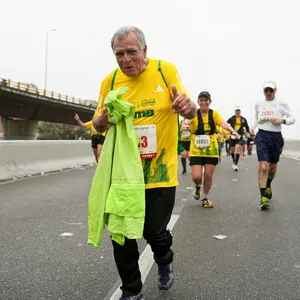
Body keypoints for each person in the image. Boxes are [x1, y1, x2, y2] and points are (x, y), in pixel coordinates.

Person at [92, 26, 197, 300]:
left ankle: (164, 259)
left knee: (153, 231)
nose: (125, 59)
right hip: (124, 176)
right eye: (119, 54)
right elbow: (97, 123)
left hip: (159, 171)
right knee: (122, 236)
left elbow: (190, 109)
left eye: (131, 52)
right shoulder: (111, 81)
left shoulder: (165, 71)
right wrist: (101, 122)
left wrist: (189, 108)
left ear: (145, 50)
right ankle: (132, 290)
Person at [190, 91, 239, 208]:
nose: (203, 102)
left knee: (208, 174)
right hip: (196, 150)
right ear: (198, 102)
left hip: (211, 150)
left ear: (210, 102)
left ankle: (205, 197)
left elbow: (223, 124)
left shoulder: (214, 114)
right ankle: (197, 188)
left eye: (206, 100)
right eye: (201, 100)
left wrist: (233, 131)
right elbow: (187, 121)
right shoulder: (194, 114)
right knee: (197, 176)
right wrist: (184, 125)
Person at [252, 81, 295, 209]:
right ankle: (263, 196)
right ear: (263, 91)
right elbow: (256, 118)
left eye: (271, 90)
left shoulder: (281, 103)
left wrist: (282, 120)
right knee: (263, 166)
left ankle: (268, 184)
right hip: (262, 136)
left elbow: (292, 118)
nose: (269, 93)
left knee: (272, 168)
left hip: (276, 136)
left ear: (275, 90)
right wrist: (252, 128)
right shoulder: (259, 104)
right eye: (266, 91)